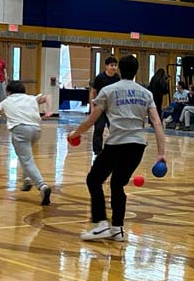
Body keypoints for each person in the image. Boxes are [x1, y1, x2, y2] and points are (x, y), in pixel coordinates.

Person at [69, 55, 167, 242]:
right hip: (138, 146)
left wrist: (76, 133)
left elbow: (92, 119)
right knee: (117, 184)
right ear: (136, 71)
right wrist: (161, 154)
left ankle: (101, 225)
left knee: (93, 180)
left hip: (116, 144)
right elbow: (157, 123)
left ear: (120, 69)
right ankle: (117, 229)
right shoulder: (146, 94)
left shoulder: (108, 90)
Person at [0, 81, 53, 205]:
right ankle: (26, 180)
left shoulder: (6, 101)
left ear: (8, 92)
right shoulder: (31, 98)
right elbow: (48, 96)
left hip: (20, 130)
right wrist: (49, 110)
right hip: (36, 130)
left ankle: (42, 186)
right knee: (25, 156)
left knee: (26, 160)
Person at [90, 57, 120, 154]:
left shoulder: (117, 78)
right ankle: (97, 151)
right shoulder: (100, 78)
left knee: (114, 129)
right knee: (99, 129)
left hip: (112, 109)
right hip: (100, 108)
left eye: (115, 65)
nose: (114, 67)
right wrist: (92, 107)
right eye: (111, 65)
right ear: (106, 66)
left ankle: (114, 149)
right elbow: (93, 92)